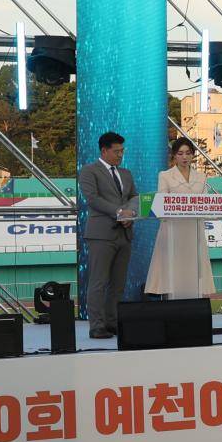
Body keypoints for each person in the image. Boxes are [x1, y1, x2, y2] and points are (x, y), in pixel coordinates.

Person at [79, 131, 138, 339]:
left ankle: (112, 322)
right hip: (101, 235)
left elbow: (134, 197)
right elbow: (93, 199)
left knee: (118, 284)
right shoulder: (89, 171)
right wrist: (120, 212)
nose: (120, 155)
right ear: (104, 151)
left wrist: (132, 213)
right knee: (98, 282)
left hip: (125, 234)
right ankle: (96, 325)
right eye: (116, 151)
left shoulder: (126, 173)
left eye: (122, 151)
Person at [144, 136, 216, 300]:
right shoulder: (165, 175)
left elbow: (206, 204)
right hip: (172, 230)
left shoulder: (201, 177)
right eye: (180, 153)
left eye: (188, 153)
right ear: (174, 156)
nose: (184, 157)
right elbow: (162, 203)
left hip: (194, 230)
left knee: (194, 271)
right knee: (173, 271)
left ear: (193, 155)